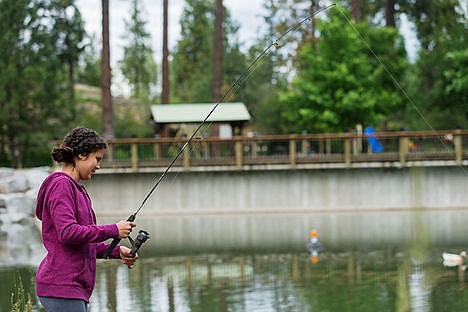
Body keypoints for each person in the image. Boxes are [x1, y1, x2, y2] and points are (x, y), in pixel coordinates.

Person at [35, 127, 138, 312]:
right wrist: (114, 230)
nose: (98, 165)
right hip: (62, 286)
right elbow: (68, 233)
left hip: (73, 289)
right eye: (97, 159)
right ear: (82, 155)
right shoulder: (61, 185)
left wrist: (116, 250)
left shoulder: (76, 189)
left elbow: (82, 242)